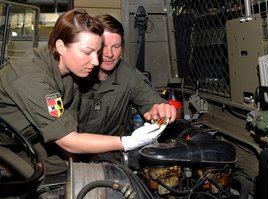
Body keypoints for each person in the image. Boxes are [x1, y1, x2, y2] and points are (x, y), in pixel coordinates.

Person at [0, 9, 168, 176]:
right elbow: (69, 140)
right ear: (61, 46)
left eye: (97, 52)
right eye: (88, 52)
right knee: (33, 175)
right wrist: (128, 142)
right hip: (6, 143)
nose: (96, 61)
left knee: (63, 167)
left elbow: (68, 125)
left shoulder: (69, 73)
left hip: (24, 138)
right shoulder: (33, 77)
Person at [77, 14, 176, 136]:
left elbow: (152, 102)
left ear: (122, 48)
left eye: (116, 46)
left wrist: (160, 109)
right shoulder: (76, 72)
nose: (109, 54)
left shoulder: (129, 76)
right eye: (103, 46)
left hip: (107, 151)